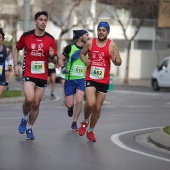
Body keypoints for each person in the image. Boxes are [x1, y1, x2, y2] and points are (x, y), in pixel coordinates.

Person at [13, 11, 58, 140]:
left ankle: (29, 128)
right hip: (28, 72)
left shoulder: (50, 39)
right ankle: (24, 118)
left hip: (42, 74)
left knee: (37, 103)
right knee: (29, 99)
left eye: (45, 20)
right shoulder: (26, 36)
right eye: (41, 20)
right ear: (35, 21)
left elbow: (55, 61)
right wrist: (16, 65)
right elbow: (16, 49)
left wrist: (52, 56)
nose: (43, 22)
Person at [78, 22, 122, 142]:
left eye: (104, 30)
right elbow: (82, 54)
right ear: (97, 31)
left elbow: (119, 61)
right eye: (99, 30)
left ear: (107, 32)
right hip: (91, 77)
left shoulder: (112, 45)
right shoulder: (90, 43)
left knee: (97, 108)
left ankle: (91, 131)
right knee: (90, 103)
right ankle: (85, 122)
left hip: (104, 79)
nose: (101, 32)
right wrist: (85, 61)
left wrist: (115, 60)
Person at [58, 29, 90, 131]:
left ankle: (74, 122)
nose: (88, 37)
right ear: (80, 37)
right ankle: (70, 107)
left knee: (79, 100)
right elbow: (60, 58)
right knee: (70, 103)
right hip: (70, 79)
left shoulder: (89, 49)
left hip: (82, 79)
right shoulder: (69, 48)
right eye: (86, 35)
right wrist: (63, 67)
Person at [0, 28, 10, 97]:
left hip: (1, 77)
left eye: (0, 37)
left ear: (3, 38)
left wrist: (10, 66)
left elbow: (9, 60)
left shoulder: (6, 50)